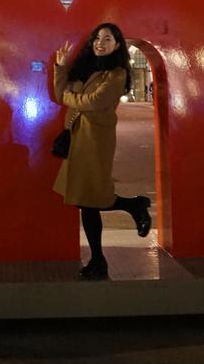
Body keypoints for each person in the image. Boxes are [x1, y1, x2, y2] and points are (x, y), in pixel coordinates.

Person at [53, 23, 152, 281]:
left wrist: (68, 98)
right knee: (85, 200)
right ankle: (100, 256)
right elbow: (59, 92)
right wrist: (61, 67)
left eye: (107, 39)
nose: (101, 43)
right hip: (77, 137)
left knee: (90, 197)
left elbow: (94, 102)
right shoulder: (84, 67)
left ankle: (131, 209)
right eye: (98, 38)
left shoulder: (117, 74)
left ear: (117, 45)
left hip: (96, 139)